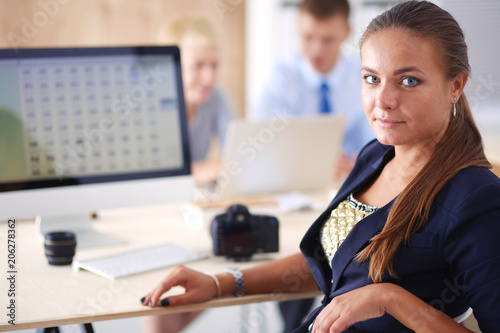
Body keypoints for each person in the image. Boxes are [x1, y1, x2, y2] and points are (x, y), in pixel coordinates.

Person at [142, 1, 500, 332]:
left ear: (456, 85)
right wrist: (223, 283)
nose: (383, 100)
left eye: (409, 81)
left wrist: (390, 299)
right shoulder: (375, 156)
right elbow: (331, 261)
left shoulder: (475, 198)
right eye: (371, 78)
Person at [252, 0, 374, 182]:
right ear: (297, 28)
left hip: (355, 182)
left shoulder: (367, 77)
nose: (317, 50)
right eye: (308, 37)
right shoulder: (278, 80)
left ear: (347, 32)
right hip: (295, 185)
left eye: (328, 40)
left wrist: (366, 159)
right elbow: (265, 153)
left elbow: (381, 141)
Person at [158, 15, 236, 186]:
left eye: (214, 66)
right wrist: (201, 170)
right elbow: (154, 173)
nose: (209, 79)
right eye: (197, 66)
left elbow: (238, 154)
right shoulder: (153, 104)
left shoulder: (216, 96)